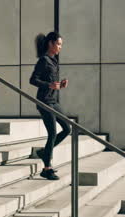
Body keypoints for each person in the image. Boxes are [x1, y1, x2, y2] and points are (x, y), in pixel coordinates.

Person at [29, 32, 71, 180]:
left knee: (67, 128)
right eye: (58, 44)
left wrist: (60, 85)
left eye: (61, 45)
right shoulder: (43, 60)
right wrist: (49, 84)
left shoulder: (54, 61)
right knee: (52, 133)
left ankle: (44, 153)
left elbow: (53, 83)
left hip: (53, 101)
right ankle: (47, 168)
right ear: (51, 44)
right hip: (44, 102)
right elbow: (33, 80)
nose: (60, 47)